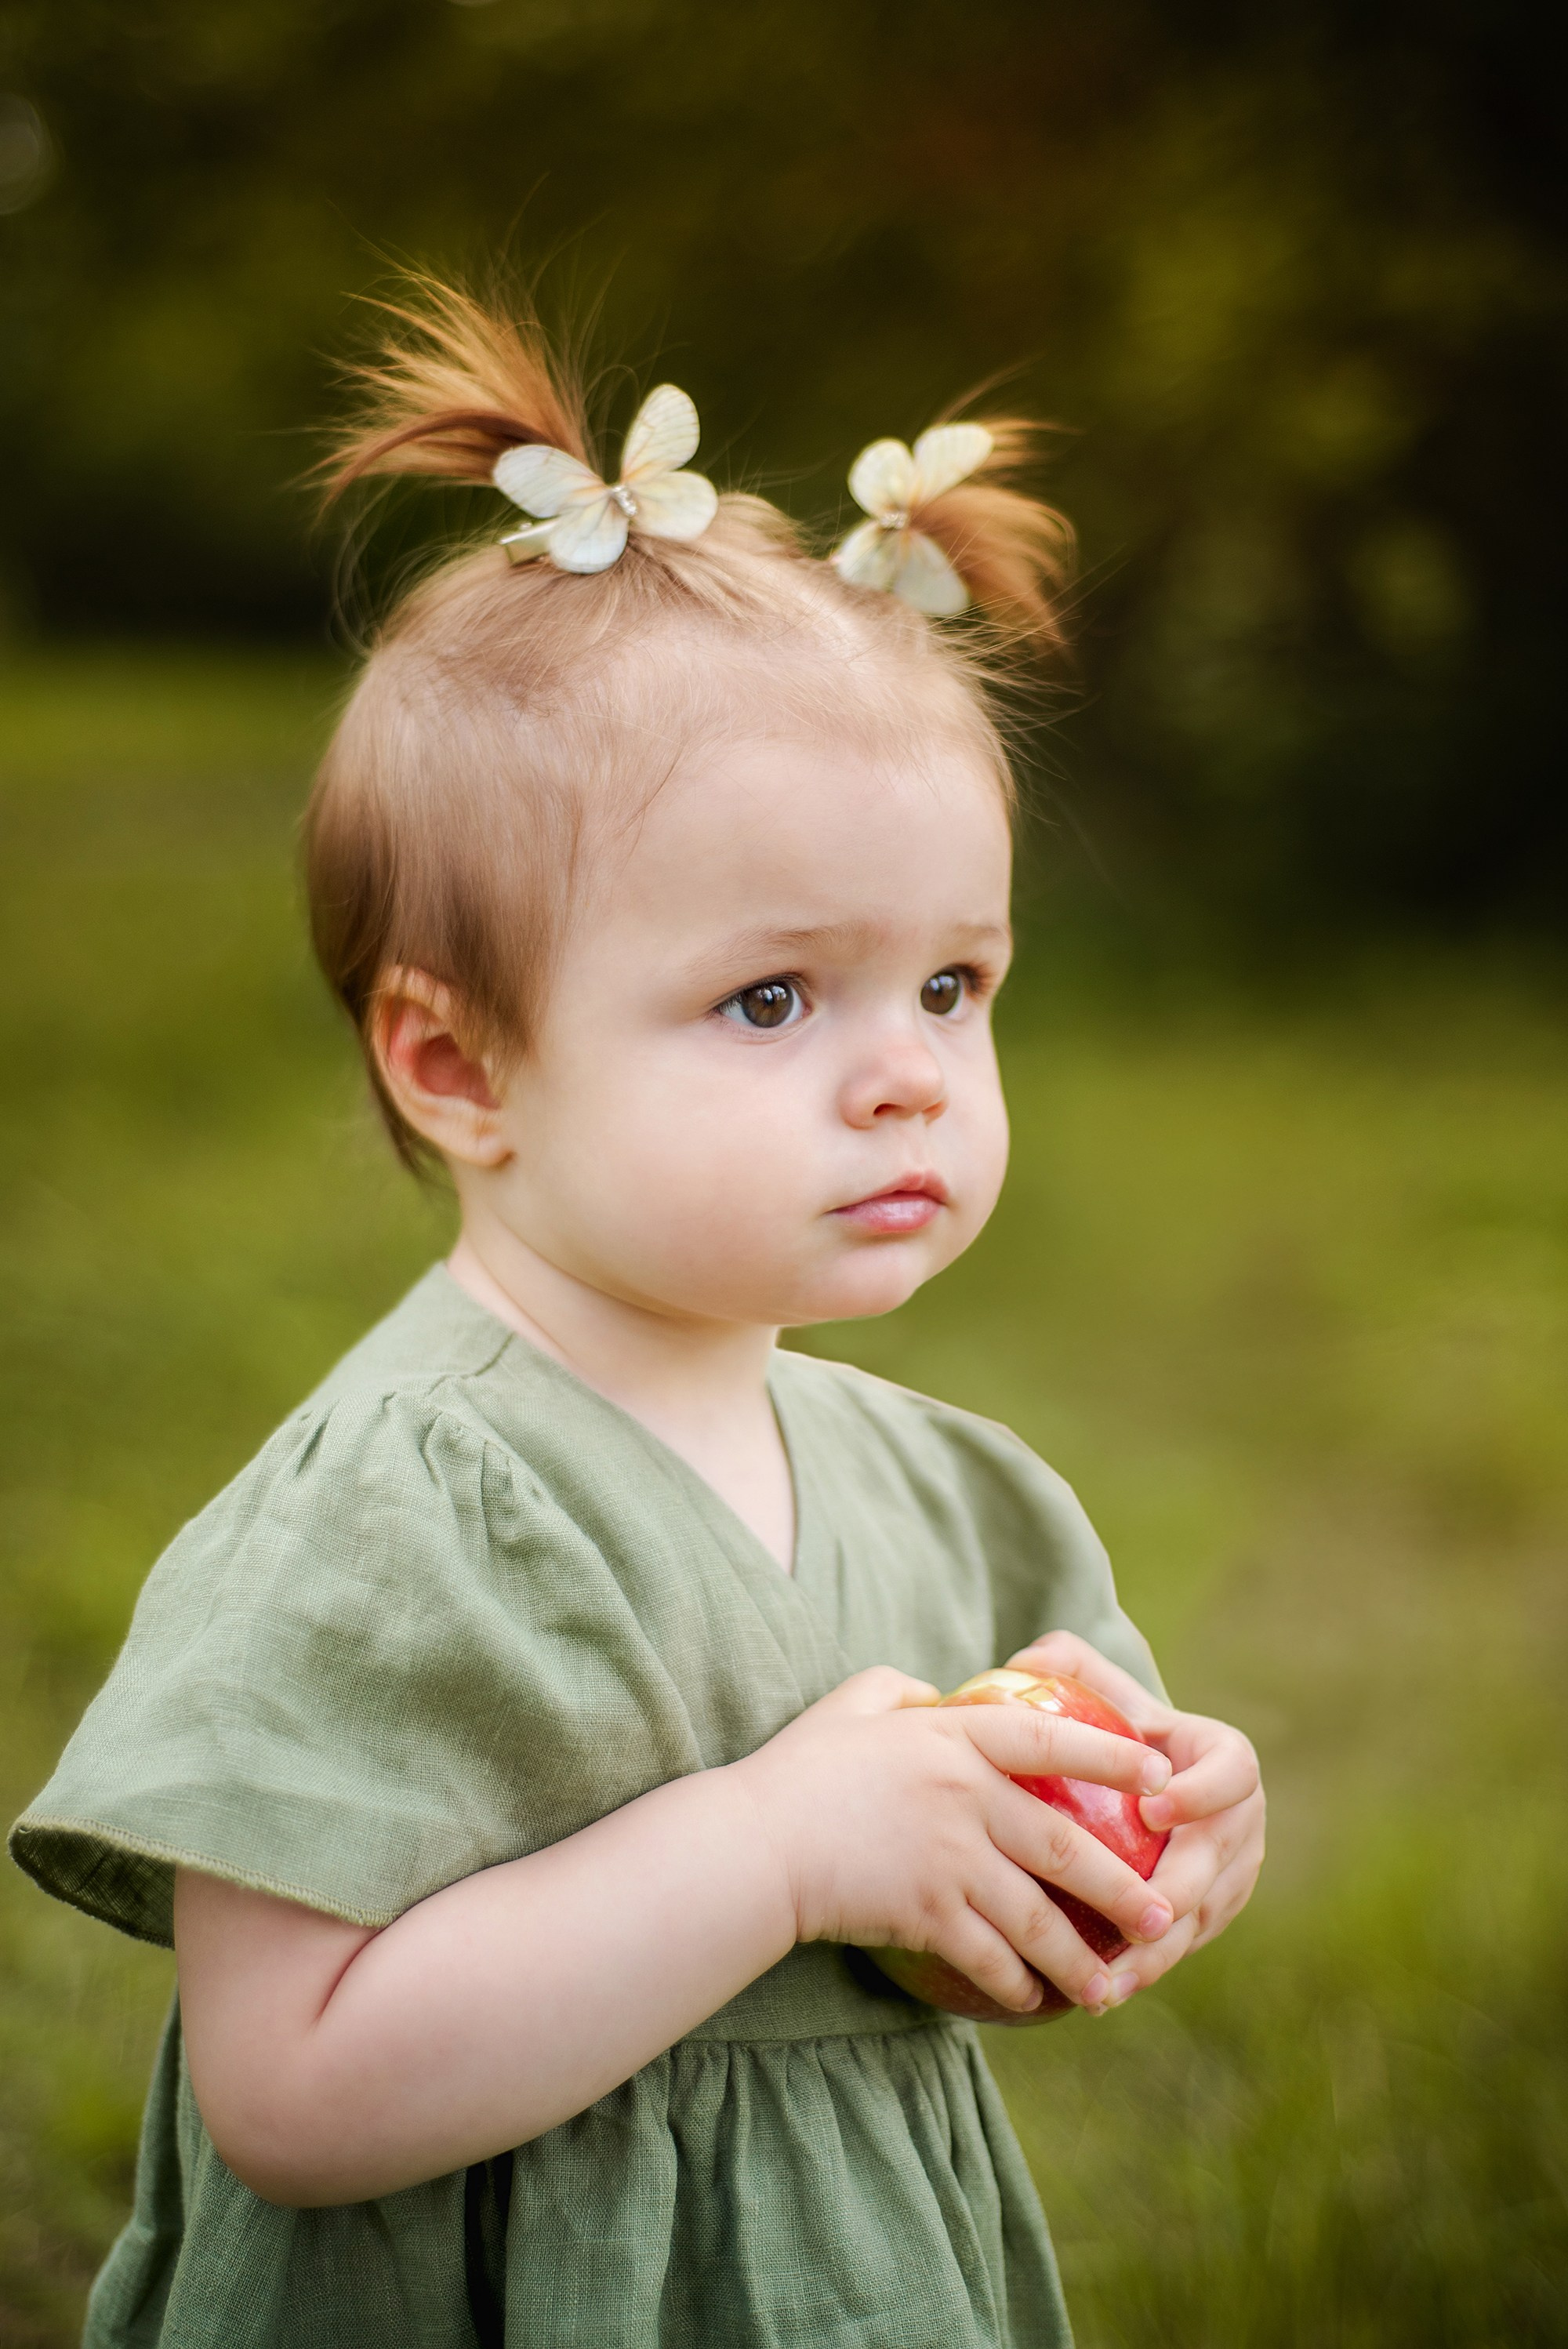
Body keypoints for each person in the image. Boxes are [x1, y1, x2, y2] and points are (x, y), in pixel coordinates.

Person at [10, 278, 1265, 2349]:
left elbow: (950, 1942)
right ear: (459, 1067)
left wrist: (1137, 1855)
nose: (906, 1073)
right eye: (774, 996)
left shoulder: (951, 1494)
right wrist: (777, 1847)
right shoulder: (393, 1519)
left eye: (952, 983)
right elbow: (293, 2087)